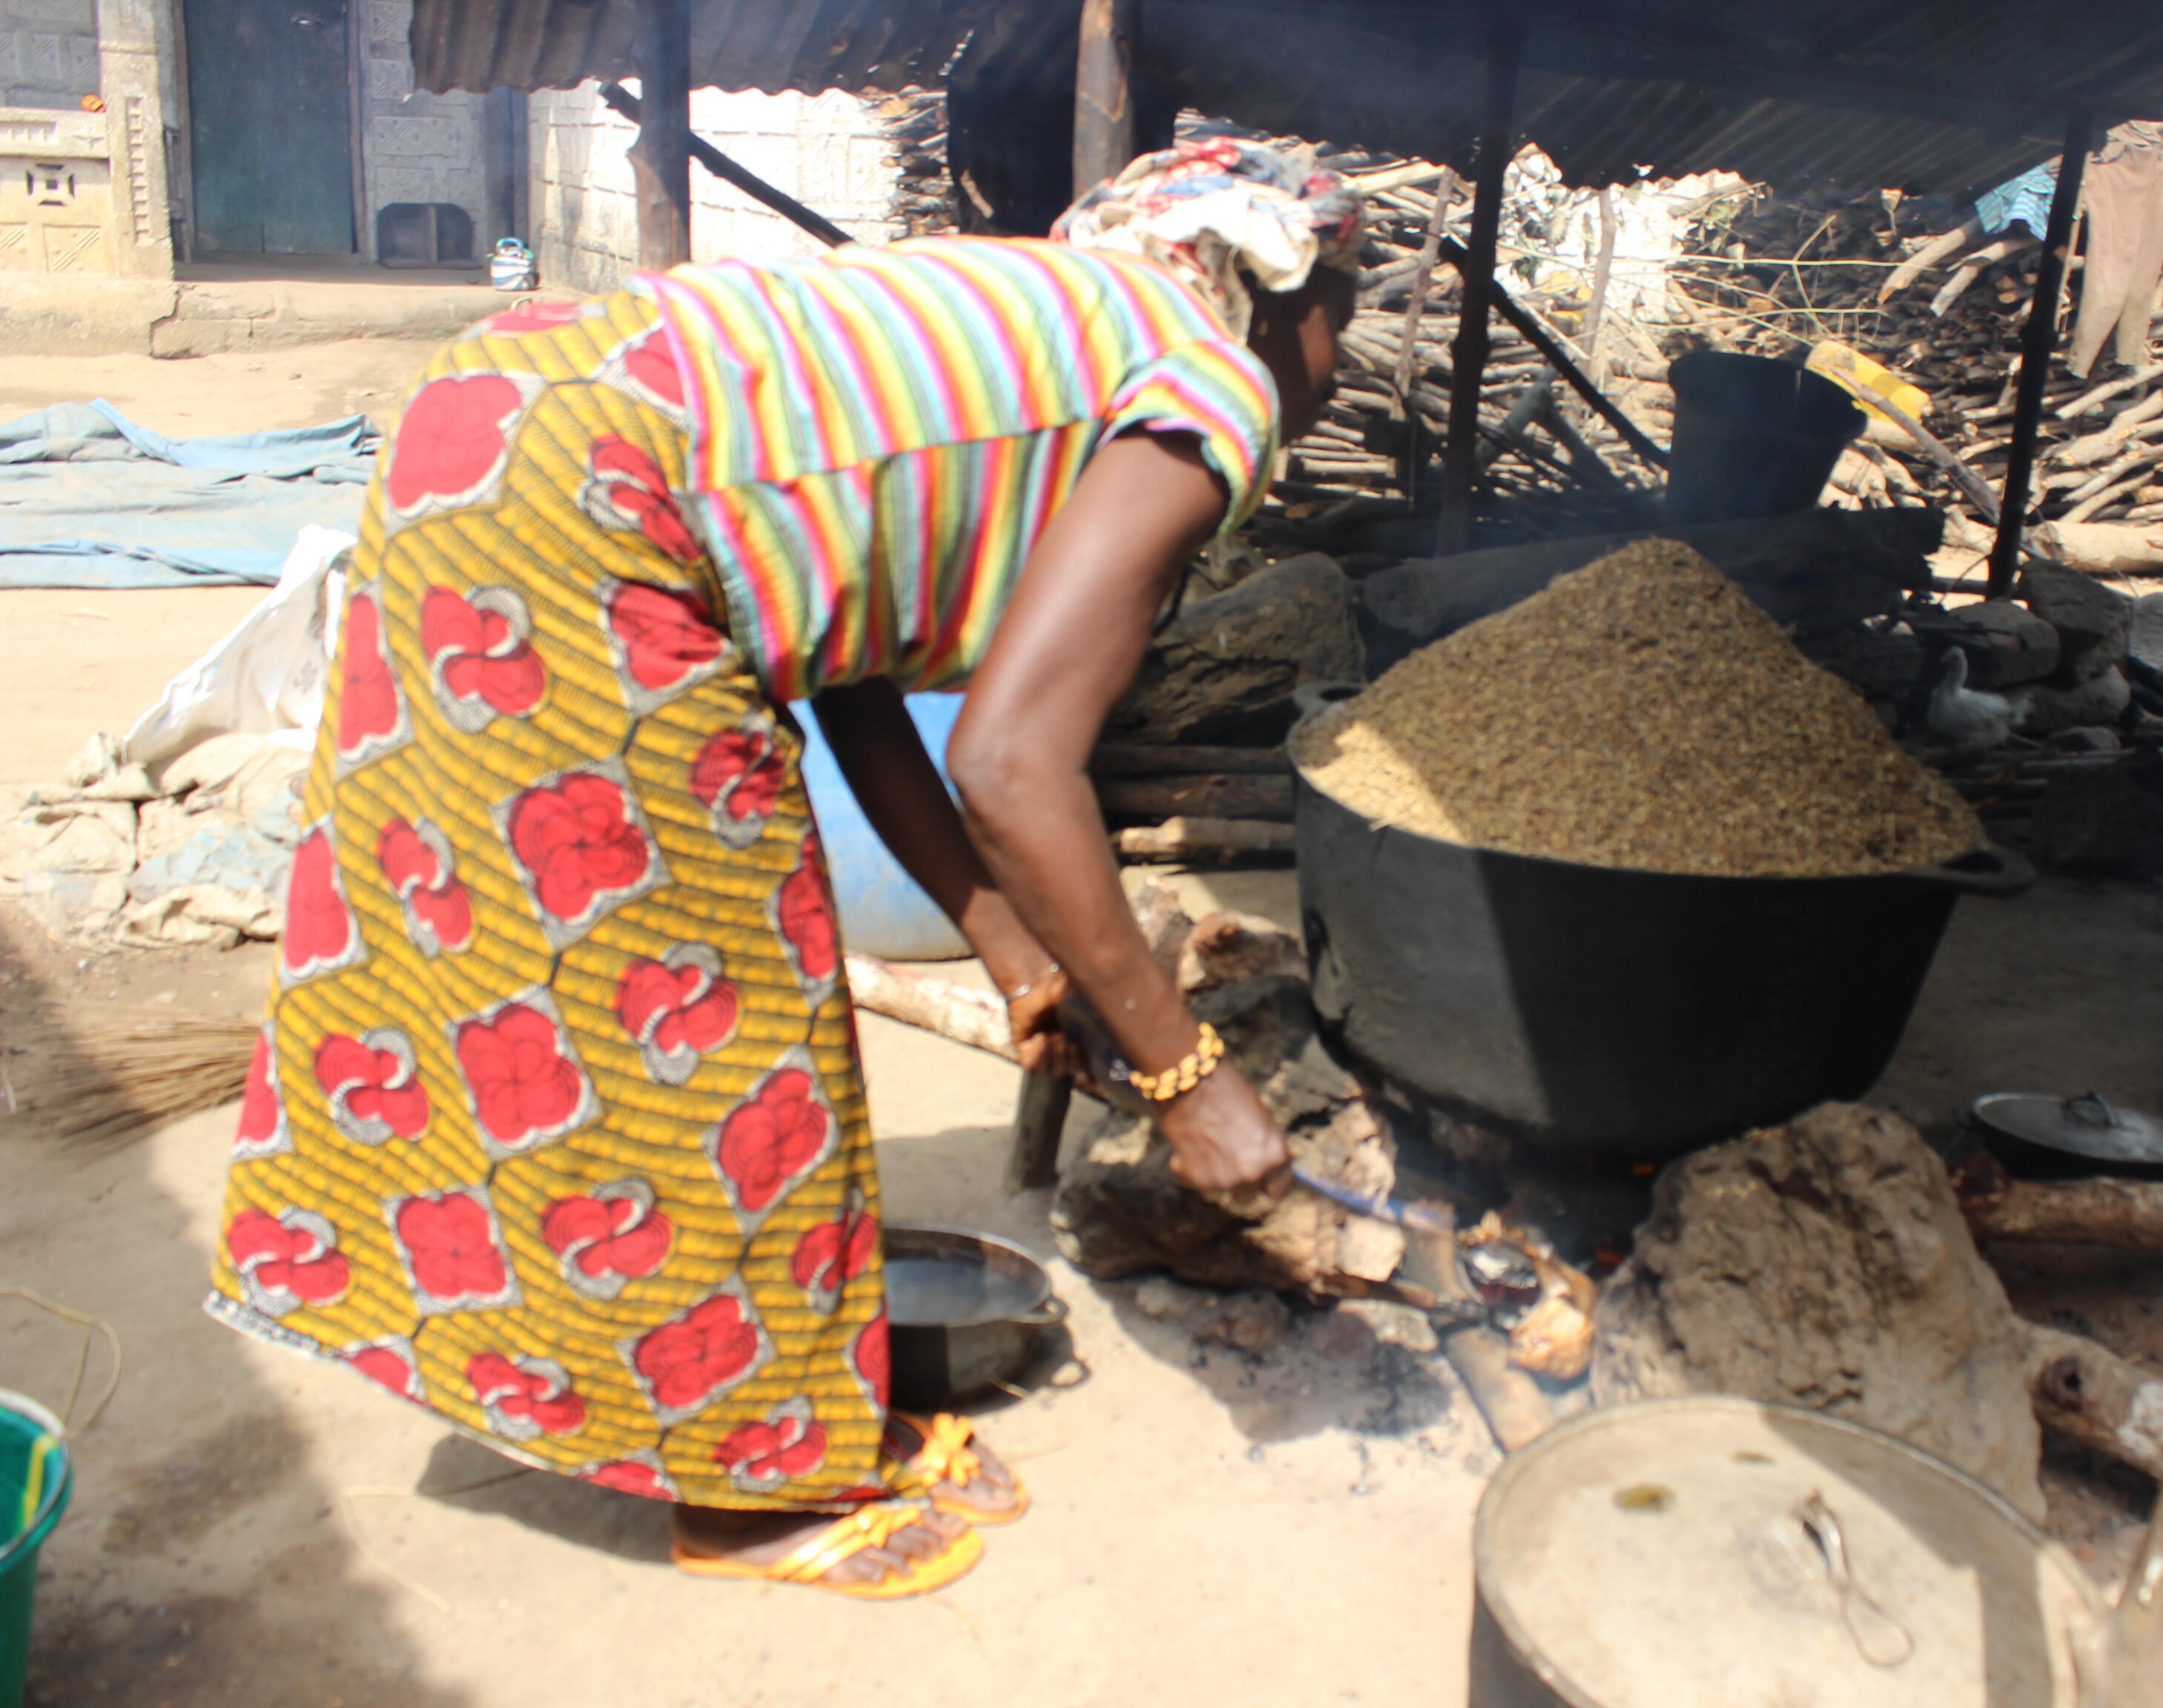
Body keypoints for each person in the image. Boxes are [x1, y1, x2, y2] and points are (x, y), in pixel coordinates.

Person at [205, 139, 1361, 1598]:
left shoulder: (1055, 325)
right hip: (601, 495)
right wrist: (1193, 1079)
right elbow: (1012, 762)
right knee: (713, 1016)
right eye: (1353, 305)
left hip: (492, 418)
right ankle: (754, 1491)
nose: (1341, 355)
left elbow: (849, 662)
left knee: (550, 982)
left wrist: (1018, 960)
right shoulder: (1211, 371)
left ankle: (729, 1405)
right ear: (1287, 289)